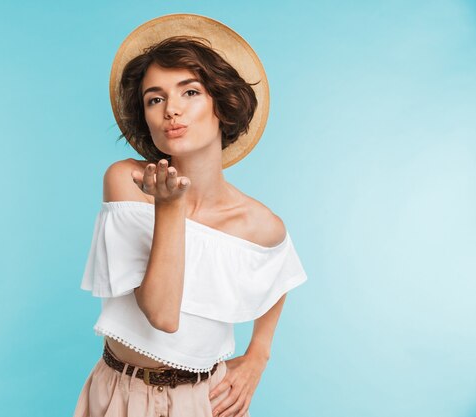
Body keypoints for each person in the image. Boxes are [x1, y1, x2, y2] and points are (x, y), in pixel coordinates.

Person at [74, 13, 308, 417]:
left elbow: (280, 273)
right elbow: (161, 314)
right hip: (119, 393)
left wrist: (258, 356)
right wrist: (170, 207)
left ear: (222, 103)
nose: (171, 110)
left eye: (190, 92)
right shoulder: (127, 182)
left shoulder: (258, 223)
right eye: (155, 98)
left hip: (205, 401)